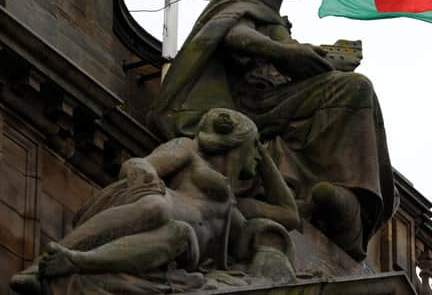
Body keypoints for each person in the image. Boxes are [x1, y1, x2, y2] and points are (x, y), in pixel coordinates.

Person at [148, 0, 396, 261]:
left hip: (271, 103)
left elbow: (287, 60)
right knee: (355, 90)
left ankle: (347, 201)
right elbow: (233, 35)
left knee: (353, 88)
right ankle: (348, 207)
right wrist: (287, 52)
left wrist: (324, 57)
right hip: (241, 106)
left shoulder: (274, 18)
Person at [11, 108, 298, 294]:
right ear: (239, 142)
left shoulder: (235, 208)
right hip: (156, 209)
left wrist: (262, 155)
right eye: (255, 148)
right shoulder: (189, 150)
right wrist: (148, 181)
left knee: (181, 233)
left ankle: (75, 261)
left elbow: (289, 214)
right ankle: (41, 265)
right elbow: (140, 164)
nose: (259, 158)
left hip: (184, 248)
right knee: (157, 208)